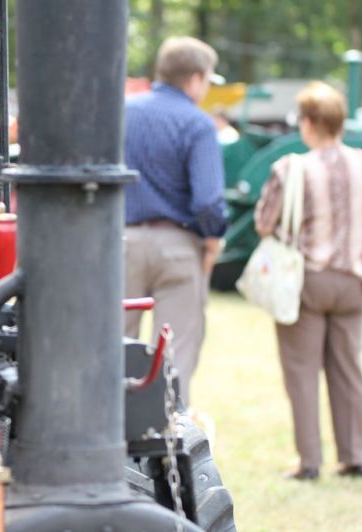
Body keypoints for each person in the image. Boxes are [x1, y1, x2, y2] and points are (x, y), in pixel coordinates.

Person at [255, 81, 362, 480]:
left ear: (308, 123)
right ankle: (354, 455)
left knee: (302, 371)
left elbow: (263, 222)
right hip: (355, 281)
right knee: (348, 370)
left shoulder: (292, 168)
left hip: (307, 280)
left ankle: (310, 462)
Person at [123, 36, 228, 405]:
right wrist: (214, 237)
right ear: (196, 78)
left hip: (121, 241)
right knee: (175, 351)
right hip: (179, 246)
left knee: (117, 344)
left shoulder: (121, 112)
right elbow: (208, 201)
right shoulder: (198, 125)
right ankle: (168, 433)